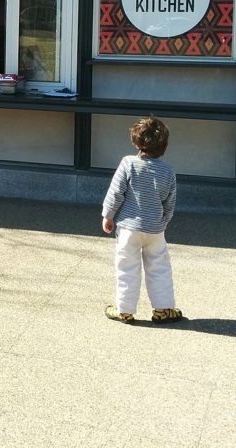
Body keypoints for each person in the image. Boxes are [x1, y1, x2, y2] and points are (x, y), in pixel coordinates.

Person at [101, 116, 184, 325]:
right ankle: (163, 309)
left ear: (136, 142)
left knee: (127, 267)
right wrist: (162, 222)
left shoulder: (128, 164)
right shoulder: (168, 172)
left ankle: (125, 310)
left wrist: (108, 215)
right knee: (159, 267)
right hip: (155, 229)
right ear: (164, 145)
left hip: (128, 228)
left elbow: (116, 193)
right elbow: (169, 202)